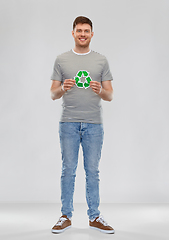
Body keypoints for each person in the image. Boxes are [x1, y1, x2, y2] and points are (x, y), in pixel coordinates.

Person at [50, 16, 115, 234]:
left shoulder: (101, 60)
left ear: (92, 34)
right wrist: (63, 89)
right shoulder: (61, 59)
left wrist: (100, 91)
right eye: (79, 30)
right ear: (73, 33)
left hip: (94, 124)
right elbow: (52, 94)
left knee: (92, 171)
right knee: (68, 170)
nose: (83, 34)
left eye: (86, 31)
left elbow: (110, 95)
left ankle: (94, 216)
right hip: (68, 123)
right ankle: (65, 216)